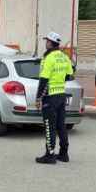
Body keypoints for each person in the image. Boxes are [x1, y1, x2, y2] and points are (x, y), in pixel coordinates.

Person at [35, 32, 74, 164]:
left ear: (51, 43)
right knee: (61, 126)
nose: (46, 43)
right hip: (61, 95)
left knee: (49, 126)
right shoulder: (64, 57)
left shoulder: (48, 58)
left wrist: (38, 98)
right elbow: (70, 76)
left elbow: (43, 79)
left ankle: (50, 155)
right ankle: (64, 154)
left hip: (50, 96)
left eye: (47, 41)